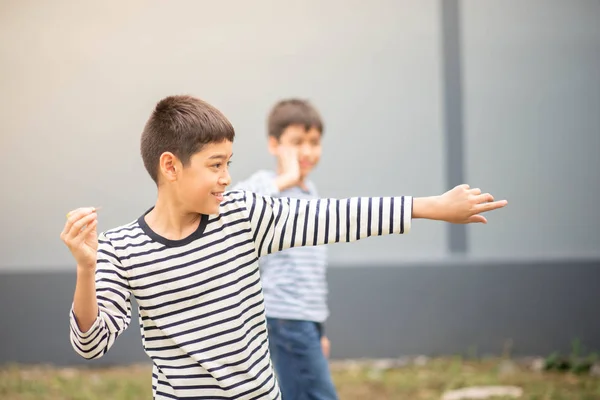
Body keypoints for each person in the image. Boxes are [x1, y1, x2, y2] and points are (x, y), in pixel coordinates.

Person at [60, 94, 507, 400]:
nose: (226, 178)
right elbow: (91, 345)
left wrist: (431, 206)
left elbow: (334, 217)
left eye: (229, 164)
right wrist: (85, 269)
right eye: (215, 165)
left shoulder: (241, 214)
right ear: (171, 166)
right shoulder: (120, 250)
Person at [231, 98, 339, 399]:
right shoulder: (266, 185)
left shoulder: (311, 193)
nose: (307, 151)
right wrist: (286, 178)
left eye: (314, 142)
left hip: (306, 318)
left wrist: (320, 328)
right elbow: (232, 205)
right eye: (296, 143)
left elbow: (312, 270)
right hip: (284, 316)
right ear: (274, 145)